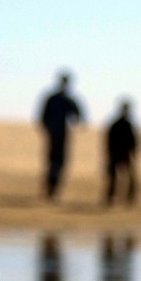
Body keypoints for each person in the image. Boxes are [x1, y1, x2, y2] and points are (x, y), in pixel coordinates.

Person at [38, 72, 84, 201]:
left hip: (57, 135)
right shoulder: (62, 99)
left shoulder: (57, 99)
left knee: (55, 163)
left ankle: (52, 189)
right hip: (57, 135)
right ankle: (51, 188)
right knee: (56, 162)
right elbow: (78, 116)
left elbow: (78, 116)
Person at [105, 100, 140, 206]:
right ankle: (110, 197)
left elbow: (133, 140)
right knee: (113, 178)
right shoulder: (117, 125)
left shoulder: (128, 125)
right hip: (117, 154)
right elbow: (109, 140)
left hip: (124, 154)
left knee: (130, 177)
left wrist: (134, 151)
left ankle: (129, 198)